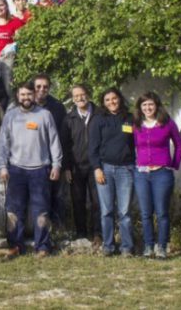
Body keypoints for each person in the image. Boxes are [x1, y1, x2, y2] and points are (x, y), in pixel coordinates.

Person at [0, 82, 63, 257]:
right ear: (18, 96)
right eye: (23, 95)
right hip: (16, 169)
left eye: (29, 94)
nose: (26, 98)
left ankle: (42, 246)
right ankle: (15, 246)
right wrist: (3, 166)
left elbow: (54, 141)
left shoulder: (45, 115)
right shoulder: (10, 116)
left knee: (41, 210)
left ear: (34, 95)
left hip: (40, 170)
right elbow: (3, 144)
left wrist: (56, 164)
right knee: (13, 211)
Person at [133, 91, 181, 259]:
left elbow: (179, 144)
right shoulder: (136, 124)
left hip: (162, 173)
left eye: (151, 104)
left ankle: (161, 246)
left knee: (162, 212)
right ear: (140, 107)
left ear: (157, 105)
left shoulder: (167, 123)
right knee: (145, 213)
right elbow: (129, 146)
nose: (148, 107)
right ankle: (148, 246)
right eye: (144, 105)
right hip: (141, 174)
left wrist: (173, 165)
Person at [89, 87, 136, 257]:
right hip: (105, 169)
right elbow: (92, 147)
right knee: (106, 211)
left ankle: (126, 247)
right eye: (107, 100)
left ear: (120, 99)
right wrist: (97, 169)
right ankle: (108, 246)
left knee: (124, 212)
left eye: (114, 98)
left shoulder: (130, 119)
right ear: (103, 102)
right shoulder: (98, 120)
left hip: (126, 170)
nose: (111, 102)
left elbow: (136, 144)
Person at [63, 85, 100, 243]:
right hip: (76, 166)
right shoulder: (68, 119)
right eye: (76, 96)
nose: (80, 98)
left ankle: (98, 233)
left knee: (97, 201)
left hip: (96, 166)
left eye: (82, 94)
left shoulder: (100, 115)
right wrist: (66, 167)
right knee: (78, 201)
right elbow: (64, 144)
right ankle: (81, 234)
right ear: (72, 99)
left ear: (89, 94)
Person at [33, 74, 69, 230]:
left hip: (52, 158)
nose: (42, 90)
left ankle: (57, 229)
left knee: (56, 195)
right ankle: (37, 228)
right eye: (38, 86)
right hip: (31, 160)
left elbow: (63, 136)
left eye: (45, 87)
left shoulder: (57, 107)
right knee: (37, 197)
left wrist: (60, 163)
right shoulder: (25, 105)